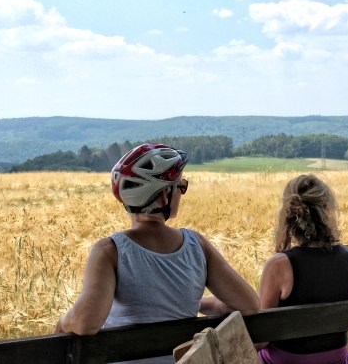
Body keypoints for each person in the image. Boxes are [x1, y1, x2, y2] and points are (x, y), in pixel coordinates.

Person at [55, 143, 260, 363]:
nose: (182, 193)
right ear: (164, 195)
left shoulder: (110, 251)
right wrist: (193, 303)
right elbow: (250, 305)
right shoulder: (197, 245)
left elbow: (86, 322)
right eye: (181, 186)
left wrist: (63, 322)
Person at [257, 174, 348, 364]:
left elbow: (262, 337)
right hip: (336, 359)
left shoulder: (279, 265)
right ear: (327, 210)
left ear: (288, 214)